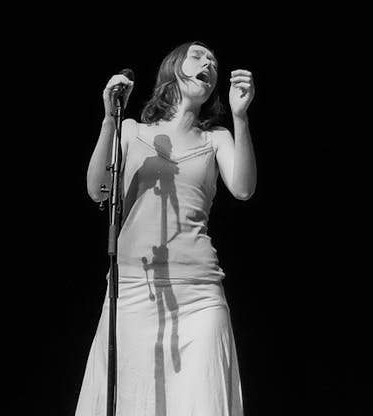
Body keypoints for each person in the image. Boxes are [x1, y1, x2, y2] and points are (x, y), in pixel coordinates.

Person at [77, 40, 256, 416]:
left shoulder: (216, 138)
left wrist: (240, 116)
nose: (207, 63)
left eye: (213, 63)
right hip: (132, 292)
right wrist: (109, 119)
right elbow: (99, 189)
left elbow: (243, 188)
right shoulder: (130, 131)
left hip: (198, 295)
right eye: (197, 56)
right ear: (172, 67)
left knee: (202, 402)